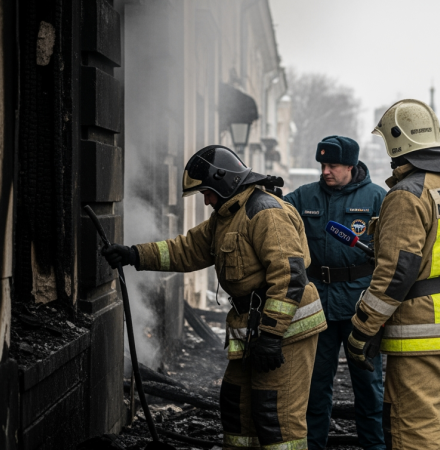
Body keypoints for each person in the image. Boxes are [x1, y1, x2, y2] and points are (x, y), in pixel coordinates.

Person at [102, 145, 326, 449]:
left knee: (275, 415)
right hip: (254, 329)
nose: (206, 200)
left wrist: (272, 336)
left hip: (287, 330)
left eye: (207, 192)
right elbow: (185, 250)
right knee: (237, 405)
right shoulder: (226, 216)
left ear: (225, 181)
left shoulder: (266, 213)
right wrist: (134, 254)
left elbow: (289, 276)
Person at [345, 99, 440, 450]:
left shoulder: (407, 194)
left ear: (397, 142)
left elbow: (396, 274)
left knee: (414, 426)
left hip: (420, 332)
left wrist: (363, 327)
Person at [284, 135, 386, 450]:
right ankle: (313, 445)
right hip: (318, 306)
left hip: (361, 307)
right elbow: (272, 214)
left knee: (368, 385)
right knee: (315, 386)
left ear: (351, 166)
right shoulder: (304, 197)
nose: (325, 171)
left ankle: (374, 446)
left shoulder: (377, 198)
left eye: (332, 166)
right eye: (323, 165)